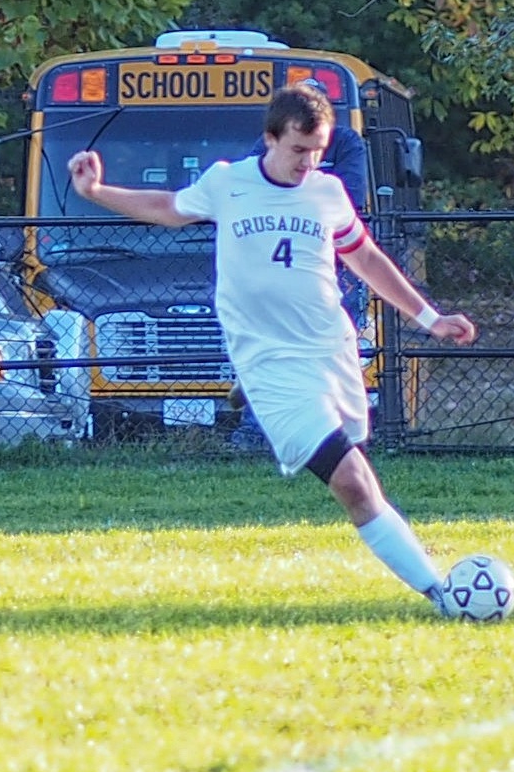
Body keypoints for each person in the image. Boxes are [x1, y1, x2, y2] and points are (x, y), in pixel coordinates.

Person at [69, 83, 478, 614]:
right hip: (270, 361)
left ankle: (432, 583)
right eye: (298, 150)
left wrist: (429, 317)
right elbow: (168, 207)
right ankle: (441, 595)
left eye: (318, 151)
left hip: (330, 349)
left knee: (360, 465)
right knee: (352, 483)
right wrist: (98, 191)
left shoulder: (327, 193)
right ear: (269, 139)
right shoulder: (228, 183)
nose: (308, 162)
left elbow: (366, 258)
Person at [229, 79, 370, 450]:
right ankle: (254, 432)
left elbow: (351, 197)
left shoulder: (346, 142)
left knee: (334, 351)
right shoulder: (273, 142)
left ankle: (333, 435)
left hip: (332, 264)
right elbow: (253, 188)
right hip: (275, 264)